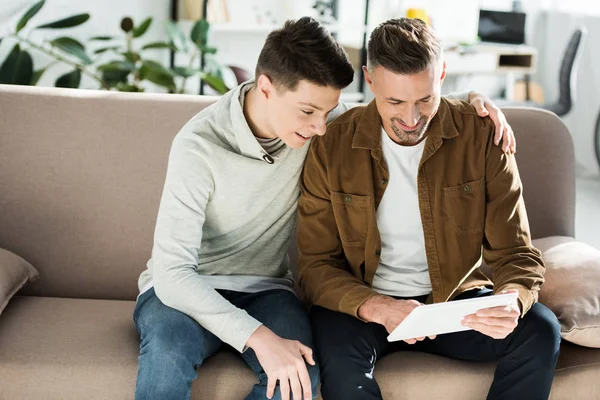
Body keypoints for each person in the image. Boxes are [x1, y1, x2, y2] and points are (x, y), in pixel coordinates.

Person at [133, 16, 516, 400]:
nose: (320, 128)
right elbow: (172, 274)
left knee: (300, 378)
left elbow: (404, 100)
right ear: (265, 87)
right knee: (167, 355)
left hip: (267, 290)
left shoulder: (323, 123)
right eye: (308, 112)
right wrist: (259, 338)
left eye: (327, 112)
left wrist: (473, 104)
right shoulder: (198, 146)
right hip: (188, 286)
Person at [297, 17, 560, 400]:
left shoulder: (483, 135)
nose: (411, 118)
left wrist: (512, 302)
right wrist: (378, 306)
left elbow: (517, 254)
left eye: (425, 99)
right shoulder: (331, 144)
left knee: (540, 329)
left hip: (454, 304)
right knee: (340, 370)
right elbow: (315, 265)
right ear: (370, 80)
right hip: (364, 304)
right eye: (395, 102)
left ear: (442, 74)